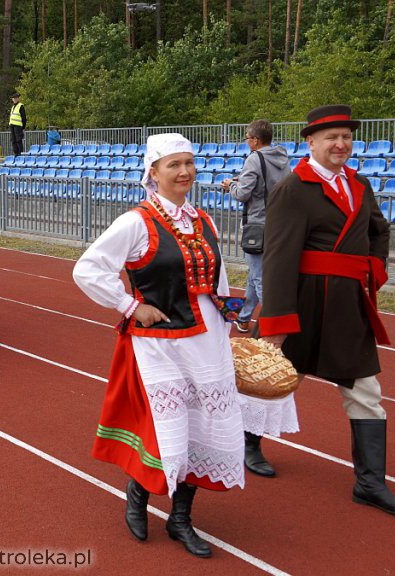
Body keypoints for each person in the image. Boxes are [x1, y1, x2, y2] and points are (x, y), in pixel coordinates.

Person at [73, 133, 244, 558]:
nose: (184, 171)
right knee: (165, 426)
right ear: (153, 172)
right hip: (160, 344)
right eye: (174, 165)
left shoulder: (203, 219)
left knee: (202, 427)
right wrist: (132, 306)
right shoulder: (136, 221)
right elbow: (88, 269)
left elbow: (216, 281)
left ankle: (180, 518)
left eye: (189, 163)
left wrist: (228, 318)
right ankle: (138, 496)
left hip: (206, 341)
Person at [259, 104, 395, 516]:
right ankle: (247, 441)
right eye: (331, 137)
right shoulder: (293, 188)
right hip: (305, 301)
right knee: (279, 381)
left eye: (346, 136)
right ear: (310, 141)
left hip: (349, 304)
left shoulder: (360, 184)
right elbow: (278, 258)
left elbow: (379, 230)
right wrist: (276, 321)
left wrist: (374, 268)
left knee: (365, 390)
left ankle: (369, 483)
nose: (340, 144)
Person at [221, 119, 298, 477]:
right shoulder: (285, 158)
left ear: (254, 140)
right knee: (254, 279)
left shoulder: (255, 160)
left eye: (247, 138)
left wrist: (230, 184)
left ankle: (269, 318)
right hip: (280, 224)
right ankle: (245, 316)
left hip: (258, 224)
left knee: (259, 276)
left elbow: (243, 193)